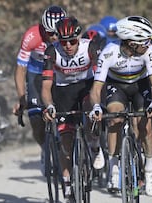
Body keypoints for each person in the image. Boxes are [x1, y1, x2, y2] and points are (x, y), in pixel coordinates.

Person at [89, 16, 152, 196]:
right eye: (144, 41)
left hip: (140, 85)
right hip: (117, 86)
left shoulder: (148, 50)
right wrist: (96, 106)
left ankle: (150, 169)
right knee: (114, 118)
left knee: (146, 124)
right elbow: (96, 88)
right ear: (130, 42)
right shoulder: (109, 52)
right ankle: (114, 166)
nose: (148, 43)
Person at [40, 16, 106, 200]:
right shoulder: (52, 51)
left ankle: (94, 146)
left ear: (79, 38)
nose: (68, 46)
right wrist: (50, 106)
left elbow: (100, 79)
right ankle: (67, 181)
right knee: (65, 141)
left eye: (72, 41)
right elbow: (46, 87)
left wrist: (97, 106)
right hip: (63, 92)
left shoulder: (90, 47)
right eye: (64, 42)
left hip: (87, 86)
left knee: (90, 110)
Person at [12, 5, 67, 176]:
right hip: (36, 73)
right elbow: (20, 69)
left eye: (56, 33)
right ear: (43, 28)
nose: (53, 37)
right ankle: (45, 148)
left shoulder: (66, 34)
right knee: (36, 119)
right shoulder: (31, 36)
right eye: (49, 33)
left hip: (58, 73)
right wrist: (22, 97)